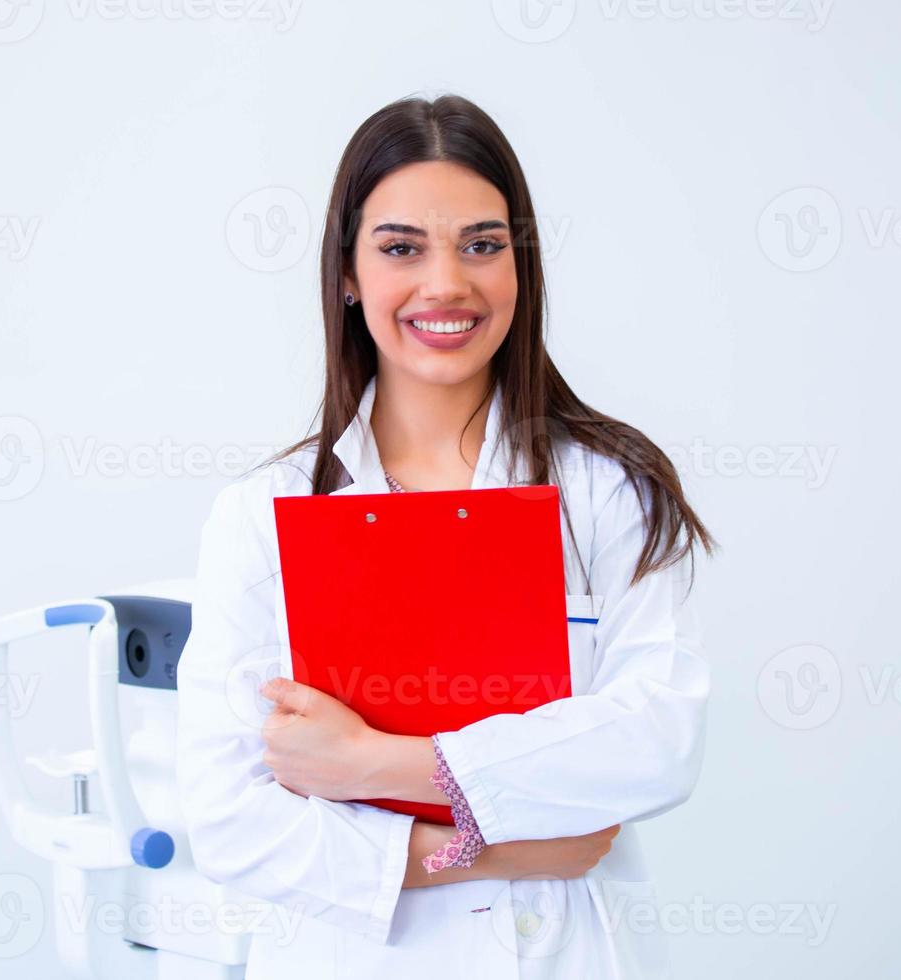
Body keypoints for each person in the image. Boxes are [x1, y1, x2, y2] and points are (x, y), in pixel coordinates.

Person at [175, 93, 715, 979]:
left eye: (481, 244)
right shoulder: (262, 514)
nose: (446, 284)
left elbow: (657, 744)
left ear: (520, 266)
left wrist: (370, 763)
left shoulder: (608, 491)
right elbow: (231, 824)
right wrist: (508, 845)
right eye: (400, 248)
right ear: (346, 274)